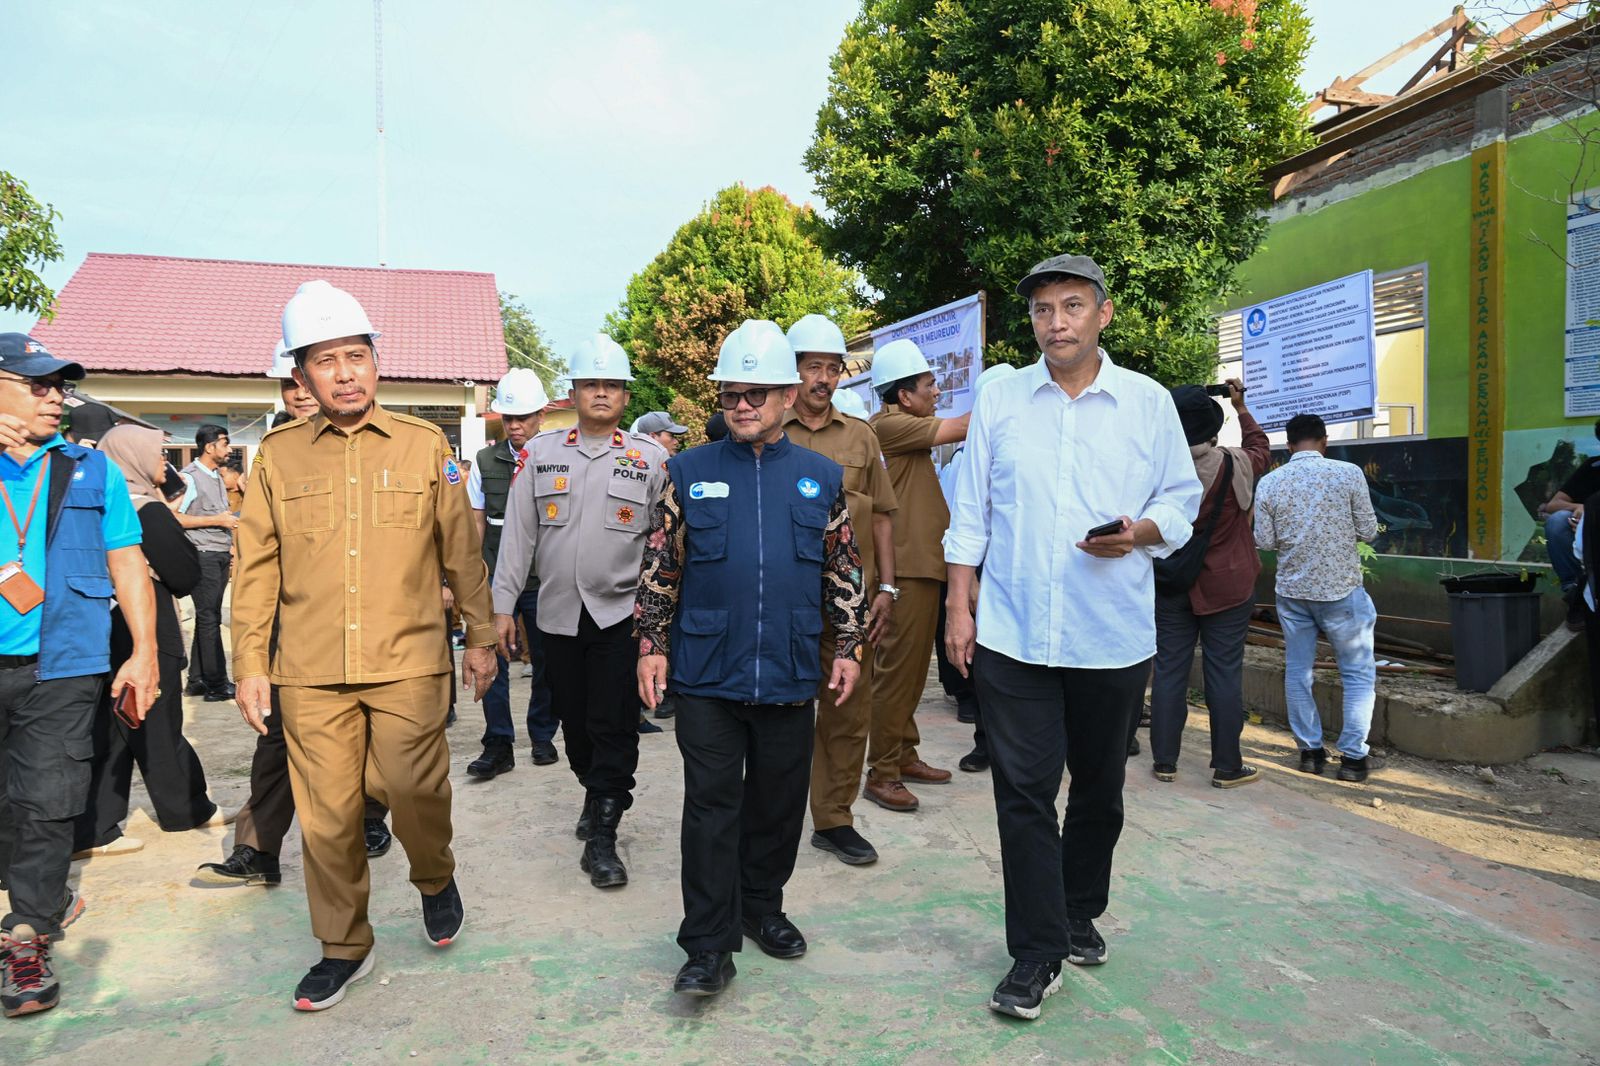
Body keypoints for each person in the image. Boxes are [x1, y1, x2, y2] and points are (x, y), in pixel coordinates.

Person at [943, 255, 1201, 1021]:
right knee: (1021, 794)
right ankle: (1035, 953)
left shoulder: (1147, 405)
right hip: (1014, 635)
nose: (1056, 322)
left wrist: (1140, 531)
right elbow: (972, 515)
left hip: (1111, 637)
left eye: (1072, 307)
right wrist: (961, 609)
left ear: (1103, 314)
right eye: (1043, 311)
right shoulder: (1001, 403)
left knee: (1098, 791)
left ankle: (1079, 908)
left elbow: (1179, 499)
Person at [231, 281, 497, 1012]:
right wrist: (251, 664)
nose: (345, 373)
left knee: (414, 793)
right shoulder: (278, 459)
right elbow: (253, 568)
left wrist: (482, 636)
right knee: (328, 819)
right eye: (326, 361)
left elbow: (461, 553)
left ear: (376, 362)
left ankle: (435, 876)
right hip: (311, 672)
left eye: (356, 355)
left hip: (409, 662)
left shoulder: (423, 445)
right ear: (301, 377)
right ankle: (344, 945)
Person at [635, 320, 867, 997]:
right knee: (711, 806)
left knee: (776, 805)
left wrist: (849, 645)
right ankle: (708, 944)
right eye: (732, 394)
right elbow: (659, 566)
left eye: (757, 394)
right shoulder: (688, 471)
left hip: (792, 667)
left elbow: (842, 567)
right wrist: (651, 645)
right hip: (707, 671)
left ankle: (762, 908)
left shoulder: (821, 478)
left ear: (789, 396)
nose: (742, 406)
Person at [0, 332, 159, 1019]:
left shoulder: (89, 470)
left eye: (59, 384)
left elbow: (126, 561)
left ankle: (27, 932)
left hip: (63, 664)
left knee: (48, 797)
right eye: (38, 384)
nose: (55, 396)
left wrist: (144, 650)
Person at [197, 341, 392, 890]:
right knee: (277, 735)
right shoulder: (275, 454)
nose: (305, 392)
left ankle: (369, 815)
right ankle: (258, 848)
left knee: (373, 724)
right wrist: (251, 653)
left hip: (368, 618)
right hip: (293, 623)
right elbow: (258, 554)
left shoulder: (386, 441)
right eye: (295, 383)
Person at [493, 335, 667, 891]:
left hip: (622, 617)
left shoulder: (651, 459)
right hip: (558, 615)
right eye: (590, 384)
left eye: (611, 385)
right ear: (572, 391)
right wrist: (501, 609)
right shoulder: (542, 454)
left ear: (624, 395)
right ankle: (596, 792)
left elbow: (667, 548)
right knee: (572, 722)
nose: (600, 393)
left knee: (614, 724)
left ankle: (604, 837)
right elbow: (518, 539)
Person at [782, 314, 898, 866]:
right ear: (793, 372)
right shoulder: (767, 430)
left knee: (847, 713)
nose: (823, 378)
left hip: (849, 603)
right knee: (778, 711)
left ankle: (833, 819)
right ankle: (772, 814)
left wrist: (888, 588)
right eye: (812, 367)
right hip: (782, 601)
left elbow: (882, 518)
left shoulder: (861, 435)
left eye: (832, 368)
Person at [73, 427, 222, 858]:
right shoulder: (143, 510)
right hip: (147, 626)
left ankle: (97, 826)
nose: (166, 462)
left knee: (113, 726)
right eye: (159, 453)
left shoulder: (87, 499)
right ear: (135, 458)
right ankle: (185, 810)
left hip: (97, 625)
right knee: (159, 723)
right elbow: (184, 574)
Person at [1147, 381, 1271, 788]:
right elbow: (1261, 449)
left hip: (1172, 584)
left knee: (1168, 671)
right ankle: (1227, 766)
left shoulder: (1157, 473)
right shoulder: (1236, 463)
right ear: (1212, 429)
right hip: (1228, 587)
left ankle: (1164, 761)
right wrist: (1242, 407)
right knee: (1223, 674)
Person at [866, 337, 970, 812]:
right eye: (929, 385)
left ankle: (903, 755)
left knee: (909, 675)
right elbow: (965, 426)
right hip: (904, 571)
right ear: (903, 395)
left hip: (921, 566)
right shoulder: (890, 425)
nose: (936, 393)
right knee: (896, 676)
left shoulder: (903, 427)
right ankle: (882, 771)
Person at [1254, 412, 1381, 783]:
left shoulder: (1270, 483)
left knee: (1298, 671)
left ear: (1289, 445)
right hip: (1341, 590)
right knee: (1357, 674)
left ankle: (1310, 753)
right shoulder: (1349, 474)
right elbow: (1370, 531)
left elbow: (1264, 541)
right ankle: (1354, 760)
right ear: (1324, 441)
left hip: (1293, 593)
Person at [465, 368, 558, 777]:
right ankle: (498, 742)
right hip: (497, 578)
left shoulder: (558, 457)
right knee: (493, 658)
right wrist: (470, 578)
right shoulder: (486, 460)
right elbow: (476, 523)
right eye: (508, 418)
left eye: (523, 417)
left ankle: (542, 735)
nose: (516, 425)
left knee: (549, 660)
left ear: (542, 416)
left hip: (546, 579)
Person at [935, 363, 1016, 774]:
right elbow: (959, 522)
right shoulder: (964, 460)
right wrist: (966, 585)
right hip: (985, 569)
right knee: (988, 663)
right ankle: (987, 743)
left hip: (1027, 572)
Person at [176, 423, 238, 702]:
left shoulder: (215, 476)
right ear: (210, 447)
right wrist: (216, 520)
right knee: (209, 618)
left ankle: (197, 680)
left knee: (207, 615)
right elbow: (174, 517)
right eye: (224, 443)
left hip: (219, 553)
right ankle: (216, 684)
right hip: (202, 555)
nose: (229, 448)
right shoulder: (189, 479)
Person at [1538, 419, 1600, 632]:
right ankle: (1574, 590)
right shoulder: (1592, 467)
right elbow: (1554, 504)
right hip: (1588, 547)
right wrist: (1582, 509)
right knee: (1556, 522)